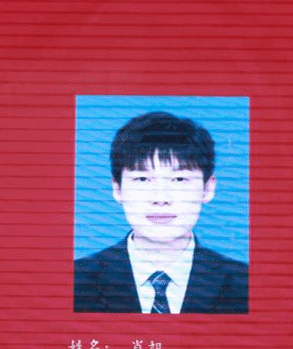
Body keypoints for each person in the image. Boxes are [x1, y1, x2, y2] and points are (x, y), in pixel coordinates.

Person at [74, 111, 248, 314]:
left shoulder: (245, 285)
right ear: (117, 189)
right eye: (142, 179)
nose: (161, 198)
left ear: (208, 189)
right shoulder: (75, 281)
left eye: (179, 179)